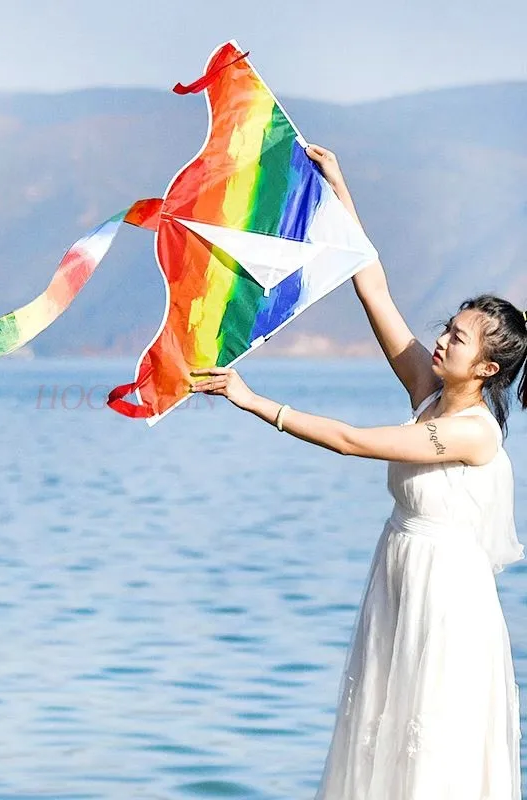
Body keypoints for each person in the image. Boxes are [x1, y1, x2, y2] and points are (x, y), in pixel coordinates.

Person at [190, 143, 527, 799]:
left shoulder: (469, 433)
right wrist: (339, 188)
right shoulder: (428, 388)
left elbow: (350, 441)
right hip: (401, 573)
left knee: (430, 735)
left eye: (457, 340)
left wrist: (252, 399)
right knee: (382, 727)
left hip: (446, 597)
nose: (441, 340)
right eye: (448, 328)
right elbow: (370, 281)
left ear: (487, 369)